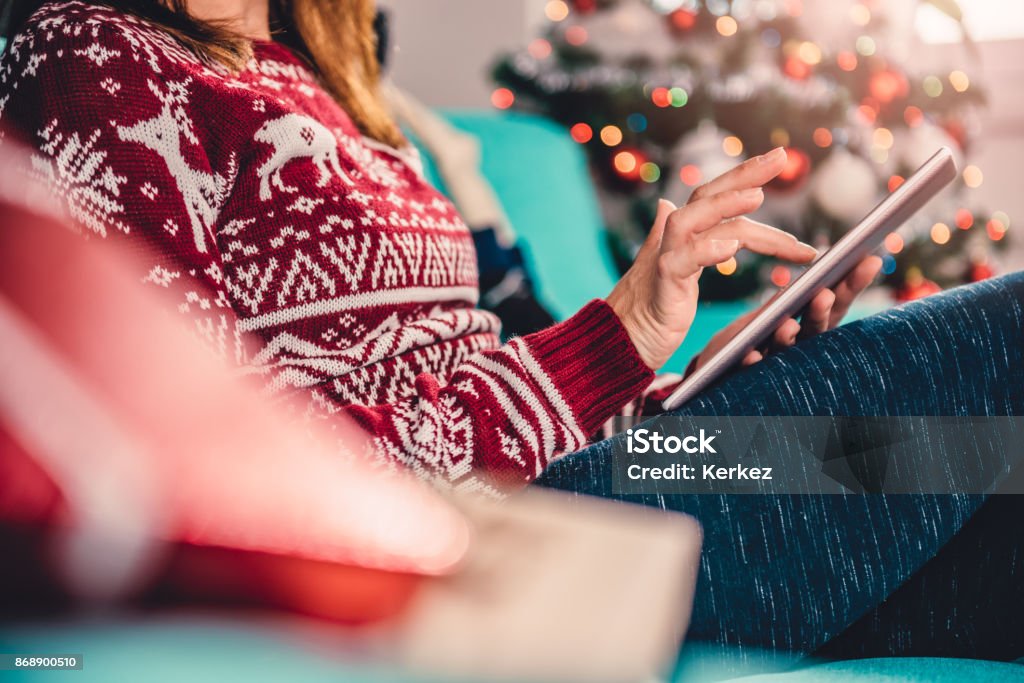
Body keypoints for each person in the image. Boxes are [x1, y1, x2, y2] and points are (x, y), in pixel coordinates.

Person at [0, 0, 1021, 664]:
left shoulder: (325, 83)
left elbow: (483, 356)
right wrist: (611, 341)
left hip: (583, 466)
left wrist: (682, 369)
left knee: (1000, 522)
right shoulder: (93, 53)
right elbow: (233, 462)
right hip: (485, 529)